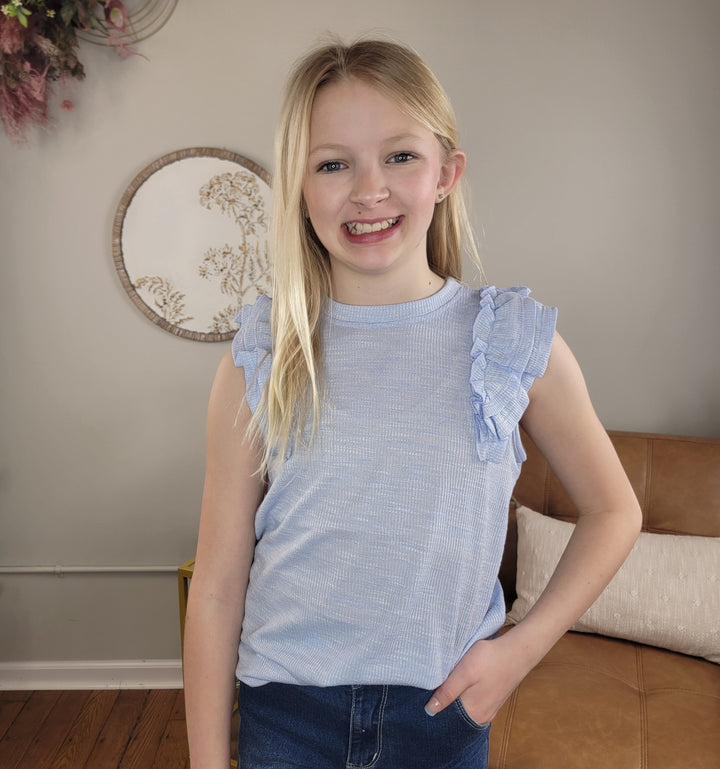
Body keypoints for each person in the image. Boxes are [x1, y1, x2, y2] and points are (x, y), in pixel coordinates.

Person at [183, 37, 642, 769]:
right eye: (333, 164)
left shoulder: (513, 343)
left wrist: (518, 652)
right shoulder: (260, 359)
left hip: (443, 713)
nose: (370, 190)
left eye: (400, 156)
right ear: (300, 189)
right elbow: (215, 587)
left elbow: (616, 511)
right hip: (287, 713)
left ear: (446, 174)